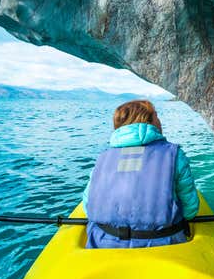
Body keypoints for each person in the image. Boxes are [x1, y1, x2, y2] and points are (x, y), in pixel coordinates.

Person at [82, 99, 200, 248]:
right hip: (164, 243)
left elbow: (88, 207)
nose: (160, 121)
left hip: (104, 242)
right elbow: (190, 210)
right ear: (149, 122)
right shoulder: (175, 155)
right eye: (156, 116)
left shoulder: (103, 158)